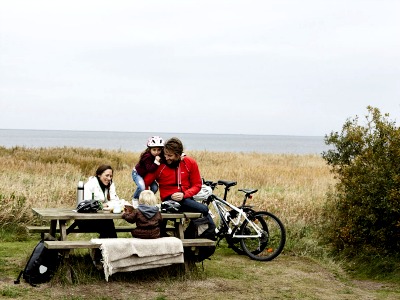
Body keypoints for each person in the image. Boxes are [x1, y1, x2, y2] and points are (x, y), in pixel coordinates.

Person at [144, 137, 214, 234]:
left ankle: (189, 237)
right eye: (165, 154)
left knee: (204, 212)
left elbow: (197, 185)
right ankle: (165, 237)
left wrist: (184, 194)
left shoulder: (190, 163)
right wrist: (147, 198)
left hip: (186, 198)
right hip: (169, 199)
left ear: (178, 155)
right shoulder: (160, 165)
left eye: (170, 155)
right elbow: (146, 182)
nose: (166, 157)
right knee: (204, 209)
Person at [77, 164, 118, 239]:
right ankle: (114, 245)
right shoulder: (90, 185)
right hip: (85, 220)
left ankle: (102, 248)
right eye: (107, 175)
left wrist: (106, 204)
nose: (109, 178)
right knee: (107, 224)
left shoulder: (110, 184)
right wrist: (102, 205)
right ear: (99, 175)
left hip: (101, 218)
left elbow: (115, 200)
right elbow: (87, 204)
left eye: (111, 176)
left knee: (107, 223)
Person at [131, 136, 164, 201]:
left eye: (159, 150)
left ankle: (147, 199)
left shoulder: (158, 155)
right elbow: (150, 169)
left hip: (145, 175)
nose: (156, 152)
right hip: (137, 174)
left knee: (155, 187)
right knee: (142, 187)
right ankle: (135, 198)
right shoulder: (147, 157)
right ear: (149, 149)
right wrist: (156, 162)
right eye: (154, 150)